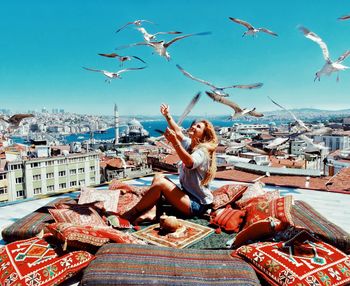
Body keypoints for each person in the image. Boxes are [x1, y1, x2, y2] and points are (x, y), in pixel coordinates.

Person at [123, 103, 218, 222]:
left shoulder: (203, 151)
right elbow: (178, 132)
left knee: (161, 184)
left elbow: (189, 162)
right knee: (158, 176)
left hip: (197, 204)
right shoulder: (190, 143)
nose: (193, 126)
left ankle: (131, 213)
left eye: (198, 127)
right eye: (194, 124)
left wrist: (174, 142)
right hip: (186, 195)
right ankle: (153, 211)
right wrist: (167, 115)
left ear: (204, 136)